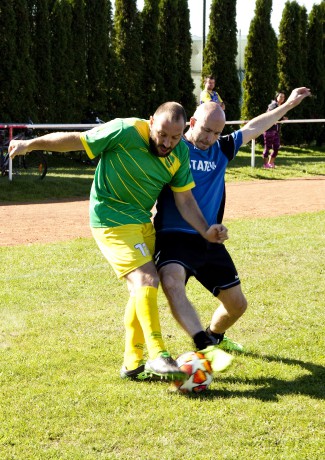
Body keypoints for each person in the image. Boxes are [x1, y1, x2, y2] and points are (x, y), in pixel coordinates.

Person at [9, 102, 231, 382]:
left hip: (141, 222)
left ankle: (133, 363)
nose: (167, 143)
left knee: (140, 292)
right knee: (147, 279)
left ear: (183, 132)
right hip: (110, 219)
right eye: (162, 134)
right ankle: (159, 355)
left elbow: (185, 200)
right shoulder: (124, 130)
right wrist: (31, 144)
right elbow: (76, 141)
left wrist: (206, 231)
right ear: (151, 122)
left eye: (175, 138)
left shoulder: (179, 156)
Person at [154, 87, 311, 355]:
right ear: (192, 123)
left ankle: (213, 337)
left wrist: (287, 107)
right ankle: (169, 351)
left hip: (210, 239)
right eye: (206, 130)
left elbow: (253, 127)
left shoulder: (221, 149)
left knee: (237, 305)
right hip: (174, 236)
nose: (211, 138)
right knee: (171, 282)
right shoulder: (173, 146)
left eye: (217, 133)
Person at [262, 91, 287, 169]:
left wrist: (282, 118)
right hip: (269, 129)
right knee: (268, 147)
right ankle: (265, 164)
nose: (282, 98)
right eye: (280, 97)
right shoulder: (273, 105)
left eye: (283, 97)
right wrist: (283, 118)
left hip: (276, 131)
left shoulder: (281, 106)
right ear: (277, 97)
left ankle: (271, 163)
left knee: (276, 147)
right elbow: (273, 114)